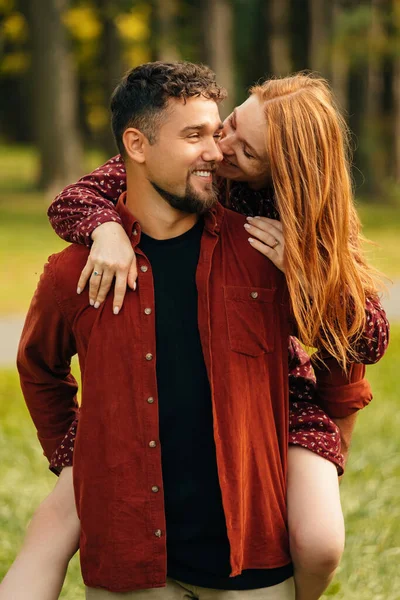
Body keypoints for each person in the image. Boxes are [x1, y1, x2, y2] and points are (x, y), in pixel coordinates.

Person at [2, 62, 387, 600]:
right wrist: (107, 229)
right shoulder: (153, 169)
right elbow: (72, 201)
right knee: (54, 527)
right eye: (226, 126)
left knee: (319, 542)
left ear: (279, 173)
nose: (221, 149)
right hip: (132, 427)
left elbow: (361, 341)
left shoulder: (295, 231)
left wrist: (308, 275)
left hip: (279, 398)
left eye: (243, 151)